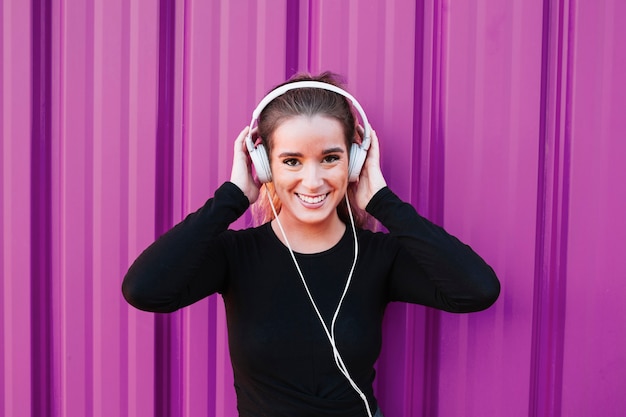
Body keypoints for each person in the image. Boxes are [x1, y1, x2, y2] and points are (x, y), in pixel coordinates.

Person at [122, 72, 500, 417]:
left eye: (330, 158)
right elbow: (144, 290)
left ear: (353, 162)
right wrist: (233, 196)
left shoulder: (377, 256)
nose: (313, 180)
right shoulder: (235, 256)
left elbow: (476, 290)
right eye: (292, 161)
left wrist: (384, 201)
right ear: (264, 163)